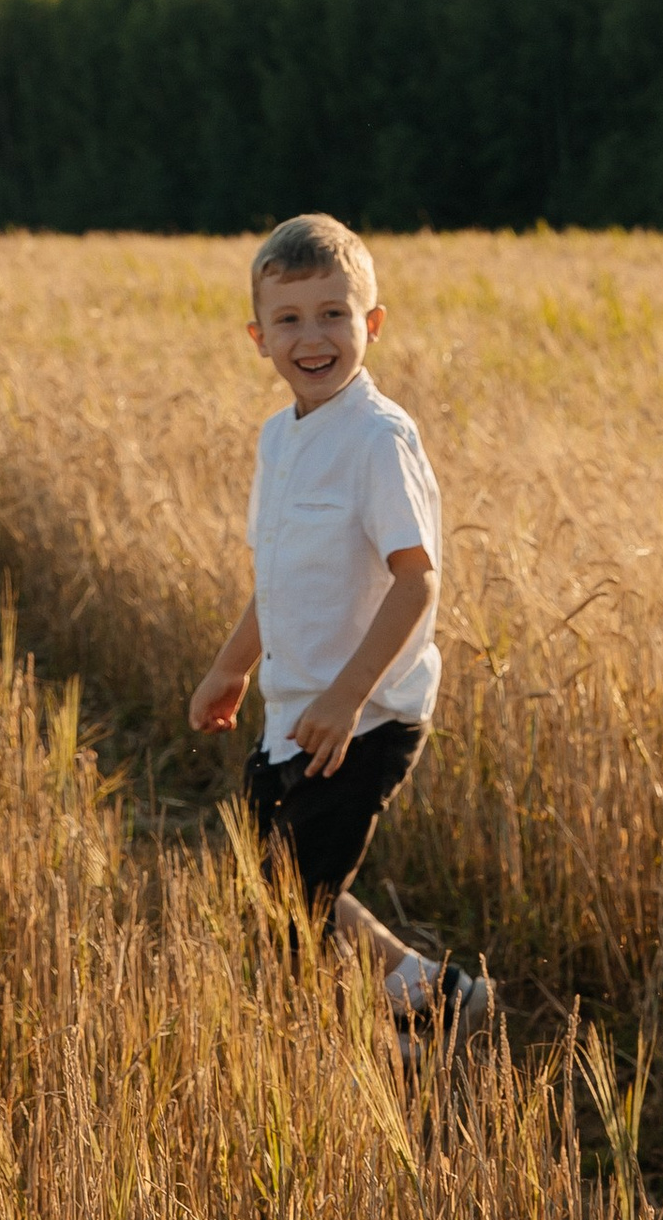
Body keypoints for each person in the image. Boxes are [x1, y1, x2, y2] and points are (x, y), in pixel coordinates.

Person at [190, 213, 490, 1044]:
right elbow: (277, 581)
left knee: (294, 902)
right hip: (294, 714)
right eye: (289, 319)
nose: (311, 336)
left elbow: (417, 581)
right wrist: (230, 668)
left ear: (373, 324)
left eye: (333, 314)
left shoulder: (378, 439)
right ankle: (432, 988)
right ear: (259, 336)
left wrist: (349, 698)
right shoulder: (278, 443)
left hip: (367, 718)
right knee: (277, 879)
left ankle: (368, 1053)